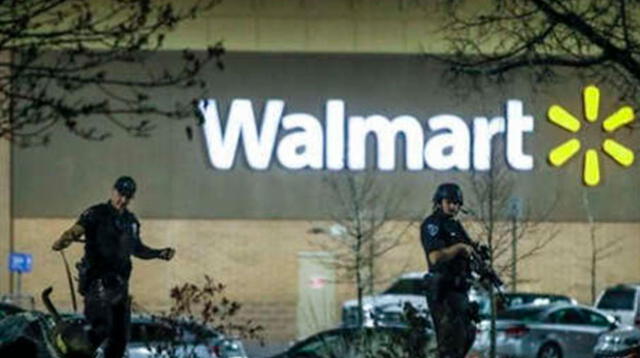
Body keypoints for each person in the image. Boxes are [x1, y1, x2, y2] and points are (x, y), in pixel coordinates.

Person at [52, 176, 175, 358]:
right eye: (120, 194)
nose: (123, 200)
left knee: (120, 338)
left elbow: (137, 249)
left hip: (120, 287)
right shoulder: (96, 213)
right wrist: (65, 239)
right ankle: (67, 346)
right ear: (113, 191)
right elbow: (77, 229)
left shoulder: (131, 222)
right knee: (101, 328)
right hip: (98, 284)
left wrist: (159, 253)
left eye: (128, 197)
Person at [420, 182, 475, 358]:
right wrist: (458, 248)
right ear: (439, 201)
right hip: (443, 292)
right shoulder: (432, 225)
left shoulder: (455, 226)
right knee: (450, 344)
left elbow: (470, 253)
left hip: (460, 291)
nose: (453, 206)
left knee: (467, 335)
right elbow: (435, 257)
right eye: (449, 202)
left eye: (456, 203)